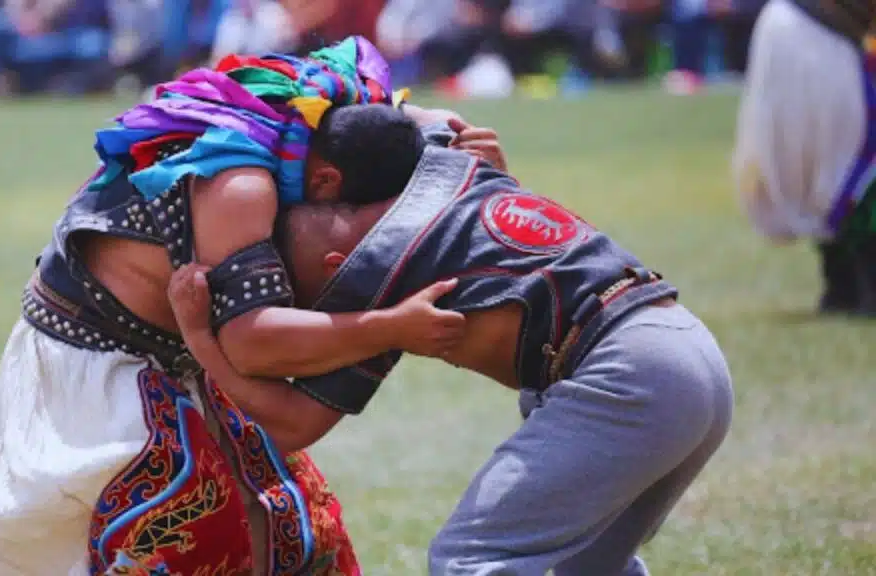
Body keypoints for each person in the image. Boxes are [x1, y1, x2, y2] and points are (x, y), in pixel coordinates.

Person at [0, 39, 489, 575]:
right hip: (99, 364)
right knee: (184, 528)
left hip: (184, 352)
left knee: (289, 527)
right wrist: (388, 328)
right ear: (327, 181)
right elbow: (252, 340)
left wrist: (451, 143)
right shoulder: (242, 188)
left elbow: (416, 117)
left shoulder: (336, 103)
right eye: (355, 212)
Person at [170, 117, 734, 575]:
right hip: (685, 345)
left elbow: (292, 425)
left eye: (304, 297)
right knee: (591, 564)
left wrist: (200, 338)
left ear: (335, 268)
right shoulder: (452, 165)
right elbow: (424, 118)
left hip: (627, 376)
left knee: (471, 559)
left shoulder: (371, 283)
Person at [733, 0, 876, 315]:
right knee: (847, 168)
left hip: (801, 32)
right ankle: (854, 281)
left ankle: (844, 284)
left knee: (831, 171)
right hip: (816, 35)